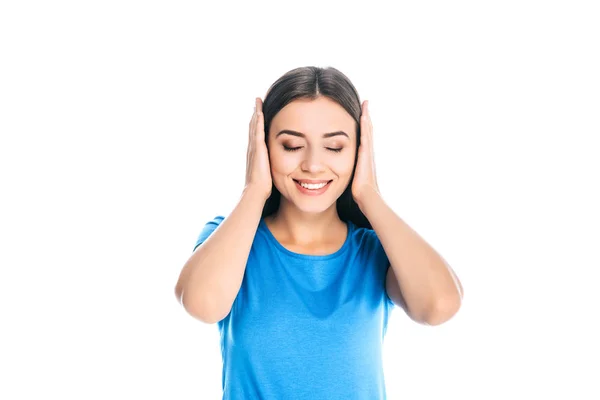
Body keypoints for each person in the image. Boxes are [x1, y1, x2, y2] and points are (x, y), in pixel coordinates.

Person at [174, 66, 464, 399]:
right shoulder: (232, 241)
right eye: (291, 146)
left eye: (335, 148)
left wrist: (369, 193)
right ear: (264, 147)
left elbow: (440, 305)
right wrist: (254, 189)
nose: (313, 164)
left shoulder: (375, 250)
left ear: (360, 151)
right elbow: (201, 304)